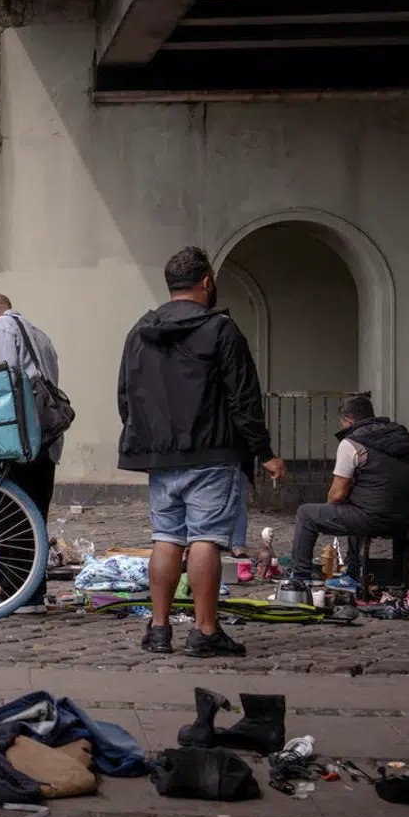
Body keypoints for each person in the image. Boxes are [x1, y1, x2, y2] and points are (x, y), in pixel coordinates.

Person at [118, 246, 285, 658]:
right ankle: (205, 631)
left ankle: (158, 630)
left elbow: (126, 396)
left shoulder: (140, 331)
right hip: (212, 453)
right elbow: (244, 398)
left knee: (166, 539)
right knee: (206, 539)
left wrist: (149, 440)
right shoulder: (222, 330)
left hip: (160, 456)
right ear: (207, 282)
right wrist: (263, 452)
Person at [0, 294, 63, 615]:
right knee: (35, 517)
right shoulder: (40, 335)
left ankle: (15, 595)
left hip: (19, 440)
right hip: (47, 438)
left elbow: (0, 383)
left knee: (11, 517)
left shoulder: (3, 327)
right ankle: (35, 594)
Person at [289, 394, 409, 590]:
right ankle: (354, 573)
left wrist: (331, 509)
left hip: (373, 518)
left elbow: (336, 494)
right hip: (405, 517)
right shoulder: (400, 438)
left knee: (306, 514)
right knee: (355, 507)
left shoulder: (351, 443)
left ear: (348, 420)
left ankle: (299, 578)